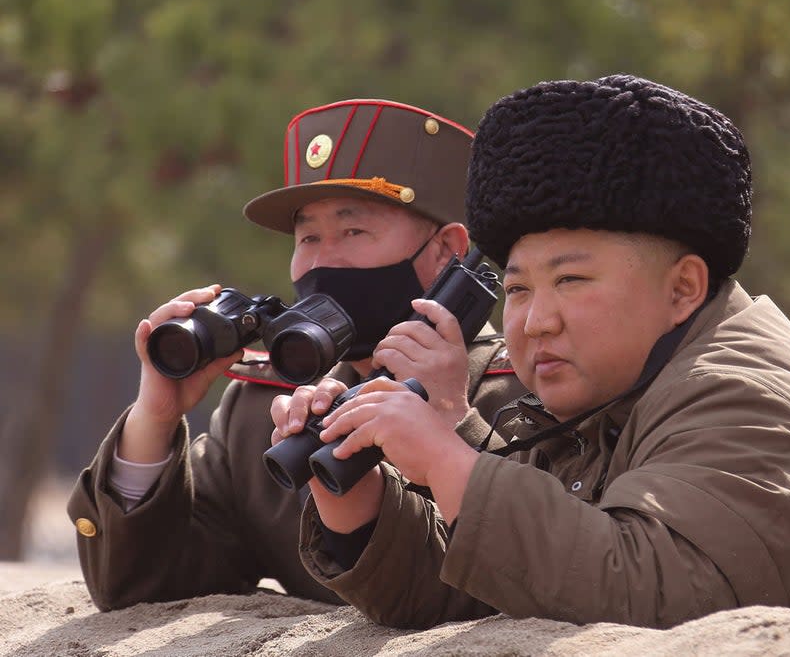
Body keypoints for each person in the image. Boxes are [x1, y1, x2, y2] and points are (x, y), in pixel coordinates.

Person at [275, 75, 790, 649]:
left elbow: (654, 598)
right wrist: (353, 497)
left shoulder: (746, 397)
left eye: (571, 280)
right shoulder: (610, 392)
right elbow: (493, 583)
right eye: (516, 288)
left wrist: (451, 464)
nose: (533, 318)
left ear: (682, 289)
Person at [66, 99, 525, 611]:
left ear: (447, 251)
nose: (323, 260)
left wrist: (452, 423)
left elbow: (542, 576)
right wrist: (156, 416)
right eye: (307, 236)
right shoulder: (263, 413)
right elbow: (138, 588)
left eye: (353, 231)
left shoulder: (526, 396)